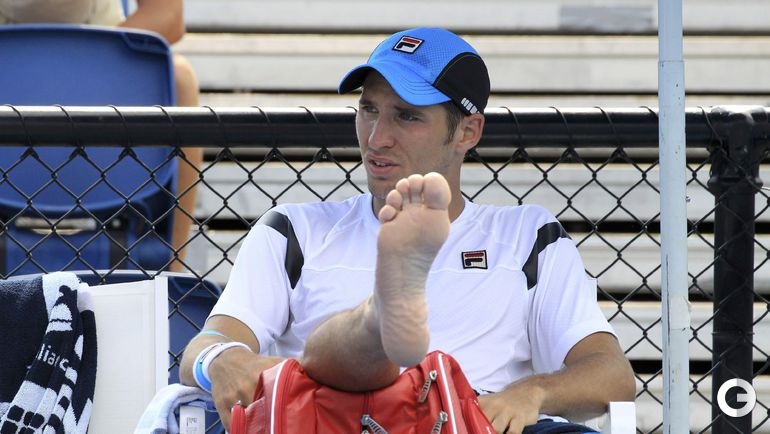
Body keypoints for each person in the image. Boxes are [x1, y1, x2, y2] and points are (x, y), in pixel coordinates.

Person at [179, 27, 636, 434]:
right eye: (368, 109)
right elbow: (205, 345)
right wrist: (219, 359)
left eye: (407, 115)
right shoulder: (295, 229)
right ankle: (382, 317)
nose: (376, 137)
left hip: (472, 418)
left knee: (344, 362)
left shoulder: (527, 237)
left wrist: (530, 393)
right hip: (334, 416)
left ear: (468, 131)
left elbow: (612, 375)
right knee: (330, 373)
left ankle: (381, 318)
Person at [0, 0, 201, 272]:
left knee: (180, 79)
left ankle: (172, 279)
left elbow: (168, 16)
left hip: (107, 73)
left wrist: (79, 58)